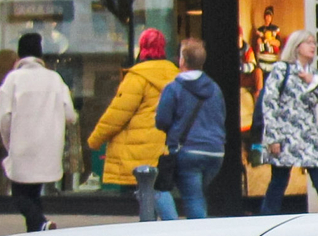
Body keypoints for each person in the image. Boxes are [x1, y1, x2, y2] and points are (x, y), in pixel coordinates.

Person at [88, 28, 180, 213]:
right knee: (159, 189)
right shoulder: (175, 75)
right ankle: (164, 228)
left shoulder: (138, 77)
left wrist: (95, 139)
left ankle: (165, 227)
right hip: (164, 146)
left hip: (138, 149)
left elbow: (117, 114)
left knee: (149, 191)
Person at [0, 32, 76, 233]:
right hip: (48, 147)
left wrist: (9, 143)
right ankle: (37, 232)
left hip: (22, 146)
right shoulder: (54, 79)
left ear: (19, 55)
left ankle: (39, 224)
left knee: (20, 195)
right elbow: (70, 115)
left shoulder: (13, 80)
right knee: (33, 194)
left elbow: (3, 118)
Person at [257, 30, 318, 214]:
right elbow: (269, 103)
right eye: (308, 42)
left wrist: (314, 82)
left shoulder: (312, 73)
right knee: (279, 181)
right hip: (285, 136)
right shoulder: (281, 69)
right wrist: (273, 138)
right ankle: (265, 219)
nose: (313, 46)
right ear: (297, 47)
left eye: (314, 43)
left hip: (309, 138)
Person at [153, 39, 229, 219]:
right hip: (215, 151)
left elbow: (162, 120)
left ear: (182, 61)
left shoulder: (174, 88)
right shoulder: (214, 88)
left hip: (188, 150)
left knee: (191, 197)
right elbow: (221, 116)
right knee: (198, 195)